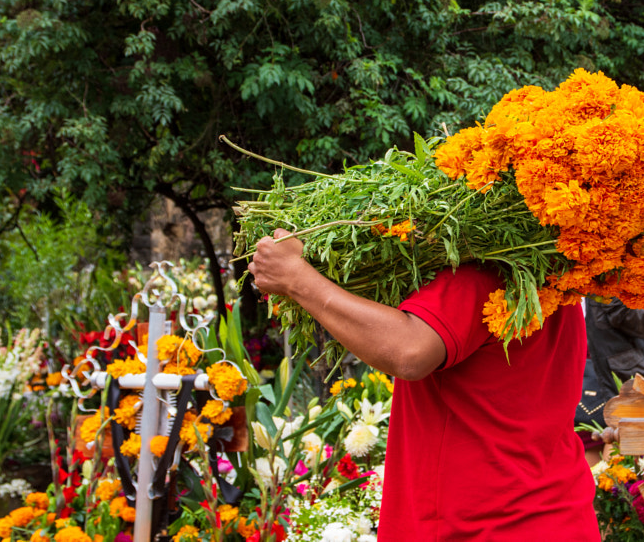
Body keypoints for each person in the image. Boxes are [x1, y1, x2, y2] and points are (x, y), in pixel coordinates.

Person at [249, 229, 600, 541]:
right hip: (557, 513)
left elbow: (410, 351)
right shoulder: (552, 278)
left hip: (481, 525)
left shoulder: (483, 272)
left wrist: (298, 278)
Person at [579, 296, 644, 466]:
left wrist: (611, 294)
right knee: (598, 441)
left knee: (617, 444)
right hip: (597, 379)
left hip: (618, 376)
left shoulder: (615, 281)